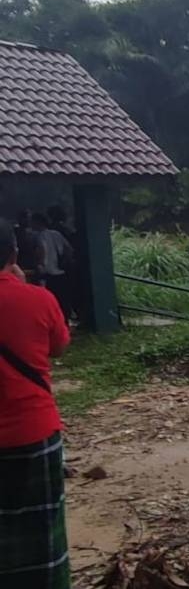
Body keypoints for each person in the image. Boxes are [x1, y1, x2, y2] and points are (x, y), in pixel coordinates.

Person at [0, 218, 71, 588]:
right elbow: (58, 347)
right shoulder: (39, 300)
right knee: (42, 537)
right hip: (33, 431)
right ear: (13, 253)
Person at [31, 214, 73, 321]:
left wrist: (38, 265)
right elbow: (69, 249)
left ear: (38, 223)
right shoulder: (56, 234)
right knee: (63, 300)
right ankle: (65, 322)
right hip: (61, 273)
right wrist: (64, 262)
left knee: (49, 301)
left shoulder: (39, 236)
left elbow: (41, 251)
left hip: (47, 274)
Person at [14, 210, 38, 277]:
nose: (28, 220)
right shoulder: (14, 232)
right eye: (26, 218)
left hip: (31, 264)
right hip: (20, 263)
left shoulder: (34, 233)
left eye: (29, 218)